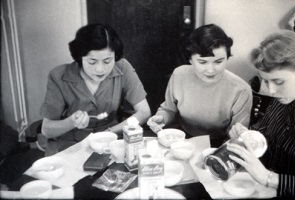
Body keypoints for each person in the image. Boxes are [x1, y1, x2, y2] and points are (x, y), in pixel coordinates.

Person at [227, 30, 295, 197]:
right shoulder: (281, 99)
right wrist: (250, 137)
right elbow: (265, 137)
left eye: (279, 81)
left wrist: (268, 177)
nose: (272, 91)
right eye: (266, 81)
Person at [40, 23, 151, 156]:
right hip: (70, 145)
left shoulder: (122, 68)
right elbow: (46, 129)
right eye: (92, 62)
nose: (100, 69)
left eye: (107, 60)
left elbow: (144, 112)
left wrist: (109, 133)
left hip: (110, 141)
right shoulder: (58, 76)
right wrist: (71, 122)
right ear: (80, 58)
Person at [147, 24, 252, 147]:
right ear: (190, 60)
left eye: (219, 61)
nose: (211, 70)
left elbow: (237, 134)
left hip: (219, 145)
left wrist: (237, 135)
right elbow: (169, 109)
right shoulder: (179, 74)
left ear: (227, 58)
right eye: (202, 62)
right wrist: (161, 118)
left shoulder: (241, 90)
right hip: (182, 139)